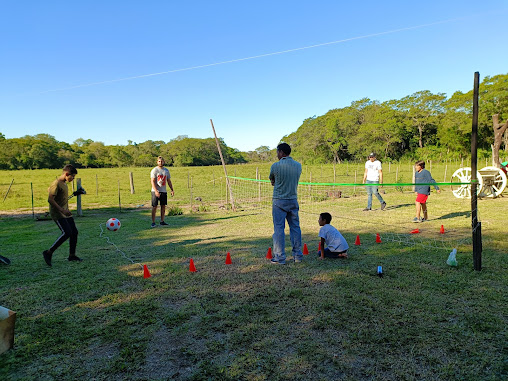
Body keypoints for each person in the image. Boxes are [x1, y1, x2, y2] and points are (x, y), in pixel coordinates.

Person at [269, 143, 303, 264]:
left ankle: (280, 257)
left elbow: (272, 179)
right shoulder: (298, 166)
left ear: (282, 152)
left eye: (277, 152)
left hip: (279, 201)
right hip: (293, 199)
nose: (277, 155)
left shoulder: (275, 166)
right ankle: (298, 256)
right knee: (295, 228)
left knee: (279, 229)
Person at [42, 164, 81, 266]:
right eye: (72, 176)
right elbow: (50, 199)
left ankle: (72, 255)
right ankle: (48, 252)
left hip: (65, 212)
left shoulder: (64, 183)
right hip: (58, 213)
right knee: (67, 232)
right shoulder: (56, 183)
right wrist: (62, 211)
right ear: (67, 174)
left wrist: (66, 210)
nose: (73, 178)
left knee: (74, 232)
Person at [150, 156, 174, 228]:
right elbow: (152, 181)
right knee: (154, 206)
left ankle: (162, 221)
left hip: (163, 190)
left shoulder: (166, 171)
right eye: (159, 161)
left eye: (162, 161)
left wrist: (172, 189)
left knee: (163, 206)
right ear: (157, 162)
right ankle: (153, 222)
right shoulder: (154, 170)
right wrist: (156, 191)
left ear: (164, 162)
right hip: (155, 191)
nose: (160, 162)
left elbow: (168, 181)